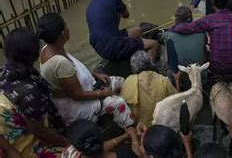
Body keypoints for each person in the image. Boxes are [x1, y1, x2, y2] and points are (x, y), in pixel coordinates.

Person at [37, 13, 138, 139]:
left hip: (79, 90)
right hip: (73, 107)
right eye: (66, 26)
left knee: (118, 81)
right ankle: (131, 131)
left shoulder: (48, 47)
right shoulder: (60, 63)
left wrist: (95, 74)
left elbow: (75, 67)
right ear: (63, 34)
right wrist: (102, 94)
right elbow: (77, 95)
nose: (69, 28)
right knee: (119, 103)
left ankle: (123, 112)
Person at [0, 28, 70, 157]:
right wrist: (69, 144)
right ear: (34, 54)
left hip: (9, 138)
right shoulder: (27, 92)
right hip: (25, 146)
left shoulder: (5, 71)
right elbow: (40, 131)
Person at [172, 0, 232, 86]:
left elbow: (187, 28)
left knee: (207, 50)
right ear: (229, 2)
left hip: (216, 66)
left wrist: (174, 27)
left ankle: (214, 77)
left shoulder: (209, 19)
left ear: (212, 3)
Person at [86, 0, 159, 62]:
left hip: (99, 48)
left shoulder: (89, 7)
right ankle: (145, 69)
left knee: (137, 30)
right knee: (154, 44)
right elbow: (126, 15)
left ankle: (136, 56)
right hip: (114, 45)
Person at [121, 50, 177, 127]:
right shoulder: (164, 81)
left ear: (133, 67)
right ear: (149, 62)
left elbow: (124, 102)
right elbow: (177, 101)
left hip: (141, 129)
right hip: (164, 125)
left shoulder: (129, 81)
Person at [163, 6, 207, 91]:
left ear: (176, 20)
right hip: (199, 78)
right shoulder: (201, 33)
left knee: (167, 55)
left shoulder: (168, 35)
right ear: (190, 18)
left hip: (178, 79)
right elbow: (204, 56)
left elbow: (167, 62)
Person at [62, 119, 140, 158]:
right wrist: (133, 134)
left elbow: (94, 145)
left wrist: (124, 136)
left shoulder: (69, 152)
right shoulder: (125, 154)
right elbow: (137, 154)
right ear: (101, 132)